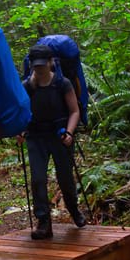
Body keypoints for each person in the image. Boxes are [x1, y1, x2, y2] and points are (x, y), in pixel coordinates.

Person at [21, 44, 85, 240]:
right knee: (38, 179)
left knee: (65, 177)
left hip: (60, 136)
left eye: (42, 64)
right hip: (36, 137)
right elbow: (22, 112)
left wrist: (70, 132)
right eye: (36, 65)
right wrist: (20, 129)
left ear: (51, 63)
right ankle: (43, 222)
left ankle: (74, 211)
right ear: (31, 65)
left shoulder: (62, 83)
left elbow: (74, 111)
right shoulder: (27, 87)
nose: (39, 69)